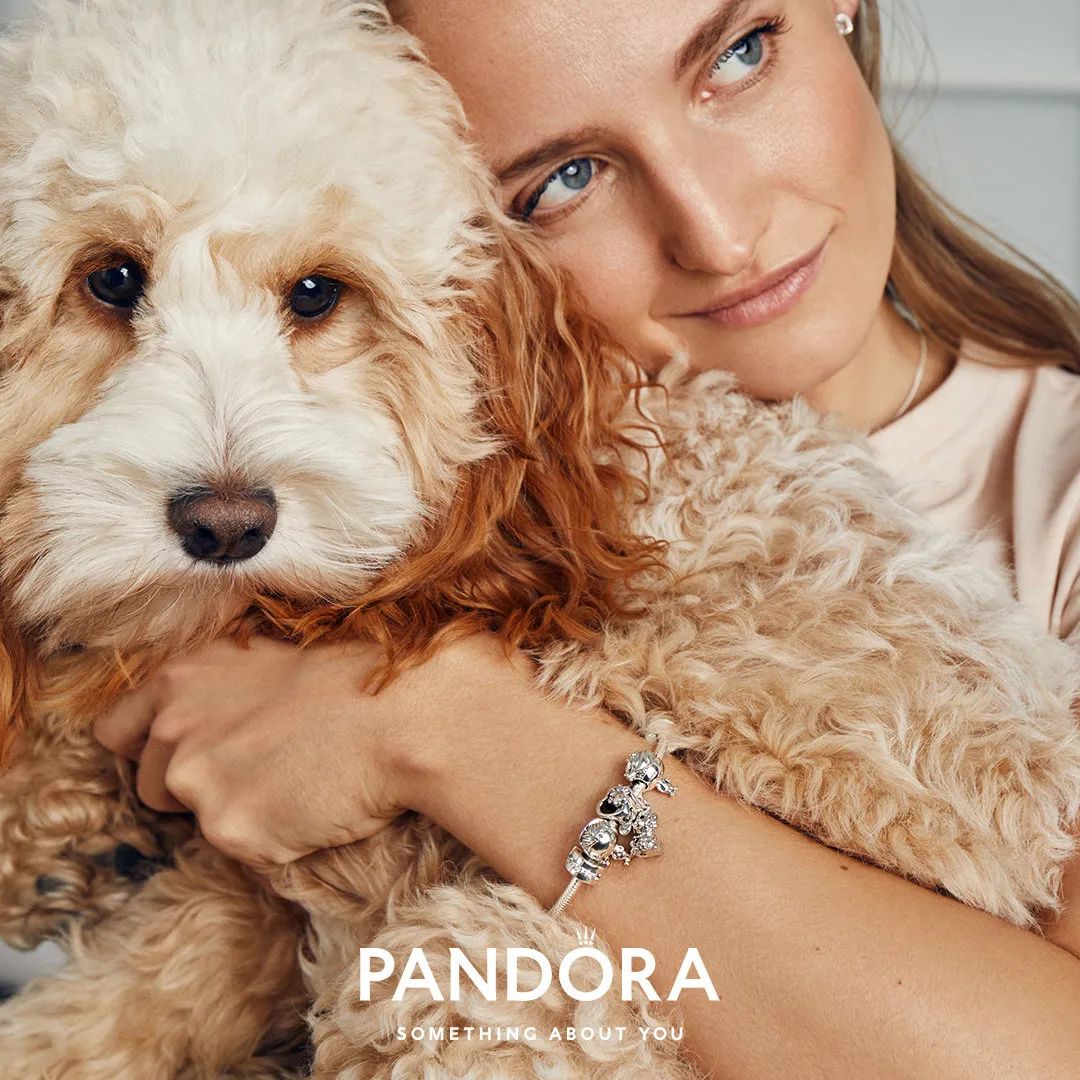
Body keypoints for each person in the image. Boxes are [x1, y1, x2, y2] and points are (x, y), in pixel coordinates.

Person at [93, 2, 1080, 1077]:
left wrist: (438, 724)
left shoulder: (1056, 495)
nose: (717, 233)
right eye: (562, 181)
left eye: (739, 56)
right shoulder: (300, 523)